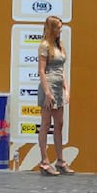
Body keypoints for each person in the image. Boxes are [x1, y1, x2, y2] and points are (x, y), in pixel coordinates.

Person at [36, 15, 74, 176]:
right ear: (52, 29)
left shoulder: (59, 46)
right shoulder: (44, 46)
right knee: (45, 124)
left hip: (58, 87)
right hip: (49, 87)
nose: (60, 30)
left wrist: (67, 90)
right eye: (58, 27)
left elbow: (61, 71)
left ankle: (60, 160)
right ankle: (44, 161)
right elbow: (41, 71)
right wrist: (47, 93)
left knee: (59, 124)